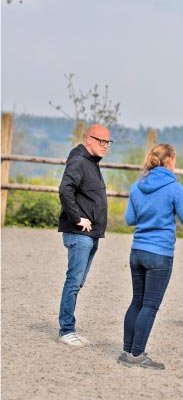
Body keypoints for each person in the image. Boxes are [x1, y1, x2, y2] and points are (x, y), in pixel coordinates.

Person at [118, 143, 183, 370]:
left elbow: (129, 220)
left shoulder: (136, 186)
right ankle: (138, 355)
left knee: (136, 302)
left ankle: (126, 351)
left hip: (137, 251)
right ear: (170, 160)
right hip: (159, 254)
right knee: (150, 306)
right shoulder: (174, 188)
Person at [58, 123, 112, 346]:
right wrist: (78, 218)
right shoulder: (80, 160)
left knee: (77, 283)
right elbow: (65, 189)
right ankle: (66, 330)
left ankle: (69, 327)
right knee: (73, 282)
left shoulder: (91, 162)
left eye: (108, 142)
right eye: (101, 141)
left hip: (91, 235)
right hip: (79, 234)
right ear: (88, 139)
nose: (105, 146)